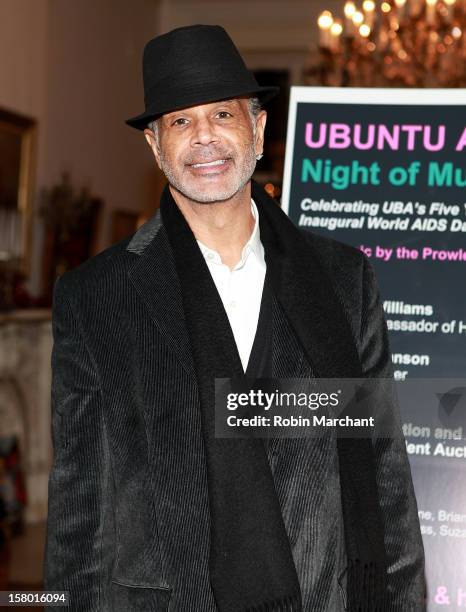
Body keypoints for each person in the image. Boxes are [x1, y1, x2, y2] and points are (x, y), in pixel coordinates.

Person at [43, 24, 425, 611]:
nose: (203, 139)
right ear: (154, 145)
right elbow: (79, 502)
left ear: (258, 127)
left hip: (327, 594)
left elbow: (383, 468)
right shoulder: (96, 295)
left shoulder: (342, 279)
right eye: (179, 121)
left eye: (221, 115)